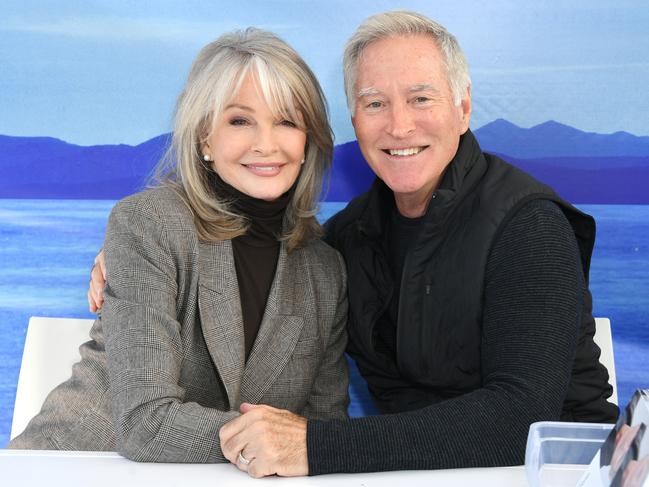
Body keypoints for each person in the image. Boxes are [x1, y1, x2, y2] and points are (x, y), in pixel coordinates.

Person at [89, 10, 619, 477]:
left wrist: (316, 448)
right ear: (353, 121)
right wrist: (137, 251)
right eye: (374, 104)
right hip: (420, 474)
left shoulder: (529, 225)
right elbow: (257, 250)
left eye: (421, 98)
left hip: (555, 474)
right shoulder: (348, 241)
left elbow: (520, 418)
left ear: (462, 107)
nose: (399, 125)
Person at [9, 28, 350, 464]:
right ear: (205, 137)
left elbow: (322, 433)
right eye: (240, 120)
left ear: (308, 141)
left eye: (287, 121)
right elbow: (145, 423)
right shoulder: (149, 224)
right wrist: (275, 441)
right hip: (75, 467)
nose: (266, 144)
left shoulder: (325, 270)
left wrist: (302, 446)